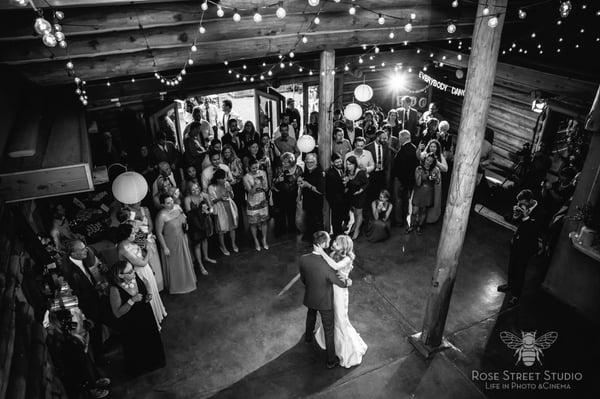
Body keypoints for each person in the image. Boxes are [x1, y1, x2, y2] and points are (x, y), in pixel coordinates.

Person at [299, 231, 352, 369]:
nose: (330, 243)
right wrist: (348, 283)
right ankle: (330, 361)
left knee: (311, 315)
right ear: (322, 244)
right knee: (329, 329)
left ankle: (308, 337)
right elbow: (338, 282)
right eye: (329, 241)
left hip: (311, 296)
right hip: (324, 301)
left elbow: (303, 279)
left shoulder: (303, 258)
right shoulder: (327, 265)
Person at [313, 235, 366, 368]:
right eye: (335, 241)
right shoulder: (332, 253)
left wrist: (322, 254)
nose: (334, 243)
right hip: (331, 289)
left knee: (340, 318)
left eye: (337, 243)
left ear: (344, 246)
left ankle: (347, 351)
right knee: (331, 316)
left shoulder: (347, 258)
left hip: (340, 292)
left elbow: (336, 266)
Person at [108, 260, 165, 376]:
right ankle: (142, 368)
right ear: (120, 275)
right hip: (131, 322)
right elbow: (117, 313)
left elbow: (146, 282)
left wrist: (149, 293)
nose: (133, 272)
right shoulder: (114, 290)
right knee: (138, 344)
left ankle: (156, 362)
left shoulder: (135, 276)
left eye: (132, 269)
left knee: (151, 338)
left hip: (145, 314)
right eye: (129, 272)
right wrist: (132, 300)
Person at [46, 309, 111, 399]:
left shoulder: (64, 335)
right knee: (83, 360)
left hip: (74, 363)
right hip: (72, 373)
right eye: (69, 319)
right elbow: (73, 365)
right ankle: (92, 389)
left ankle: (94, 381)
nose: (71, 321)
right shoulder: (60, 339)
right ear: (61, 323)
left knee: (86, 357)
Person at [117, 224, 167, 329]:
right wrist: (148, 251)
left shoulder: (133, 241)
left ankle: (159, 313)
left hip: (146, 269)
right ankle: (154, 322)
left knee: (153, 290)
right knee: (148, 295)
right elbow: (141, 263)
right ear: (126, 235)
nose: (135, 234)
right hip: (137, 273)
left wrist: (147, 249)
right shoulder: (122, 249)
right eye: (133, 233)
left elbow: (144, 253)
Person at [61, 240, 104, 360]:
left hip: (94, 300)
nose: (86, 250)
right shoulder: (70, 272)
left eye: (85, 247)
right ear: (73, 254)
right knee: (94, 333)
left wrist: (96, 286)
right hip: (87, 306)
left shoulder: (81, 260)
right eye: (82, 249)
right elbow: (77, 295)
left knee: (98, 329)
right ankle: (99, 358)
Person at [497, 190, 541, 305]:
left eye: (523, 203)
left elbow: (533, 230)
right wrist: (515, 214)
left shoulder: (540, 212)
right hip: (517, 241)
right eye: (519, 203)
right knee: (512, 266)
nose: (521, 205)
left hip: (527, 246)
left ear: (530, 201)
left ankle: (516, 295)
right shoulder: (522, 206)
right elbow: (513, 220)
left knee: (520, 271)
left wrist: (526, 217)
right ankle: (510, 285)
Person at [155, 194, 197, 294]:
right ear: (163, 205)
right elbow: (159, 233)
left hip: (182, 238)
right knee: (176, 265)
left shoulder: (178, 207)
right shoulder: (161, 216)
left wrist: (186, 225)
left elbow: (184, 219)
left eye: (172, 201)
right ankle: (178, 285)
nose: (171, 204)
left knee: (185, 261)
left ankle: (188, 281)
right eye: (168, 203)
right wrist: (165, 247)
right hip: (171, 243)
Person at [121, 201, 164, 291]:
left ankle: (158, 285)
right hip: (137, 240)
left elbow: (151, 225)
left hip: (148, 236)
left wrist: (147, 234)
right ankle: (150, 287)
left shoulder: (145, 209)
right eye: (136, 201)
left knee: (154, 261)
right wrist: (139, 237)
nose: (139, 202)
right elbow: (129, 228)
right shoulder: (127, 212)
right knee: (146, 260)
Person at [183, 182, 215, 273]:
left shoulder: (203, 196)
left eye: (197, 188)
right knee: (197, 244)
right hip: (194, 224)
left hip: (204, 222)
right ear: (189, 191)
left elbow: (210, 208)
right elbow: (189, 214)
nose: (196, 191)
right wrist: (201, 209)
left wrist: (208, 211)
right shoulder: (187, 199)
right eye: (193, 189)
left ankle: (206, 257)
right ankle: (201, 265)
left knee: (205, 240)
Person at [208, 168, 239, 255]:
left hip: (229, 207)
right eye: (222, 178)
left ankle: (233, 244)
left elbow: (232, 196)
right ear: (217, 178)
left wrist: (230, 191)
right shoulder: (211, 187)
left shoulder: (227, 184)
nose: (224, 180)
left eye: (225, 178)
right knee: (221, 230)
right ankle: (223, 246)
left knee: (232, 227)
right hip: (220, 209)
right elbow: (212, 201)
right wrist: (220, 198)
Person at [392, 130, 419, 227]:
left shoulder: (404, 150)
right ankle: (404, 218)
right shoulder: (414, 148)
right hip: (409, 181)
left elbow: (403, 168)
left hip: (401, 180)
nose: (399, 140)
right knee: (406, 201)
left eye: (400, 138)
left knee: (398, 200)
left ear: (404, 138)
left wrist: (401, 181)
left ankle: (398, 221)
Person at [408, 153, 441, 235]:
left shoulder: (435, 170)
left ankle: (420, 226)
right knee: (414, 211)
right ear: (424, 159)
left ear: (433, 162)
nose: (428, 162)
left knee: (423, 211)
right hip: (419, 191)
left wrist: (436, 177)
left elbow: (438, 182)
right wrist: (426, 177)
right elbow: (418, 183)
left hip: (429, 192)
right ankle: (411, 225)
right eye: (427, 160)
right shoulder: (419, 168)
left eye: (431, 161)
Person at [272, 152, 302, 235]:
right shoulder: (278, 169)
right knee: (281, 212)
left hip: (293, 194)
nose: (283, 163)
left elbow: (301, 182)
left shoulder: (298, 169)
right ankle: (281, 229)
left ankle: (292, 227)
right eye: (283, 161)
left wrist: (299, 195)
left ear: (291, 162)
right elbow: (273, 182)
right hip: (280, 194)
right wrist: (278, 180)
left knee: (292, 211)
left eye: (286, 162)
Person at [243, 158, 270, 251]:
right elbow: (250, 192)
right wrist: (255, 184)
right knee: (253, 223)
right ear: (249, 168)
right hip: (252, 201)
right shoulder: (246, 177)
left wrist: (263, 182)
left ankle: (264, 239)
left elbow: (266, 188)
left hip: (262, 199)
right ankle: (256, 240)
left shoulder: (263, 173)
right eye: (253, 168)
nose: (256, 170)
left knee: (264, 221)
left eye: (257, 167)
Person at [419, 139, 448, 224]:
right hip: (425, 180)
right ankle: (420, 218)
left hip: (436, 182)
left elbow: (445, 169)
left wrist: (436, 161)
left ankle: (431, 218)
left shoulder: (440, 156)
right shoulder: (425, 154)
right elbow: (420, 158)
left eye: (434, 147)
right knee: (423, 198)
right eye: (431, 146)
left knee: (435, 198)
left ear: (437, 148)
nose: (432, 148)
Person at [299, 153, 325, 242]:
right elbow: (304, 183)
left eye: (312, 162)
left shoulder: (319, 172)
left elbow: (321, 191)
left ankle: (320, 241)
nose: (309, 164)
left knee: (317, 222)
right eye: (307, 162)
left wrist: (308, 185)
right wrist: (301, 183)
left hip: (316, 202)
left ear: (316, 162)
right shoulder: (307, 171)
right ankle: (310, 238)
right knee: (309, 220)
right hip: (307, 200)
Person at [365, 130, 394, 204]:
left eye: (386, 138)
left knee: (381, 195)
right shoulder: (368, 147)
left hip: (382, 174)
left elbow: (388, 162)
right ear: (378, 138)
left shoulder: (386, 146)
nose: (385, 140)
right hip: (372, 175)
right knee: (371, 195)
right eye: (383, 138)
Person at [345, 156, 369, 240]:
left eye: (350, 164)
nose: (348, 166)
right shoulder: (347, 172)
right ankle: (355, 226)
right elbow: (348, 185)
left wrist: (360, 191)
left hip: (360, 195)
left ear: (355, 164)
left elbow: (366, 183)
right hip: (352, 195)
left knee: (359, 213)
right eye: (347, 164)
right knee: (355, 211)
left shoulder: (360, 172)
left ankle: (357, 230)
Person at [325, 153, 349, 237]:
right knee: (336, 218)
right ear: (332, 163)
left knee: (341, 216)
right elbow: (331, 189)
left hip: (342, 198)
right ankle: (337, 234)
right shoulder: (330, 173)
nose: (339, 164)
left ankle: (340, 231)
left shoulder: (342, 169)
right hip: (335, 199)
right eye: (337, 162)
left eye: (340, 161)